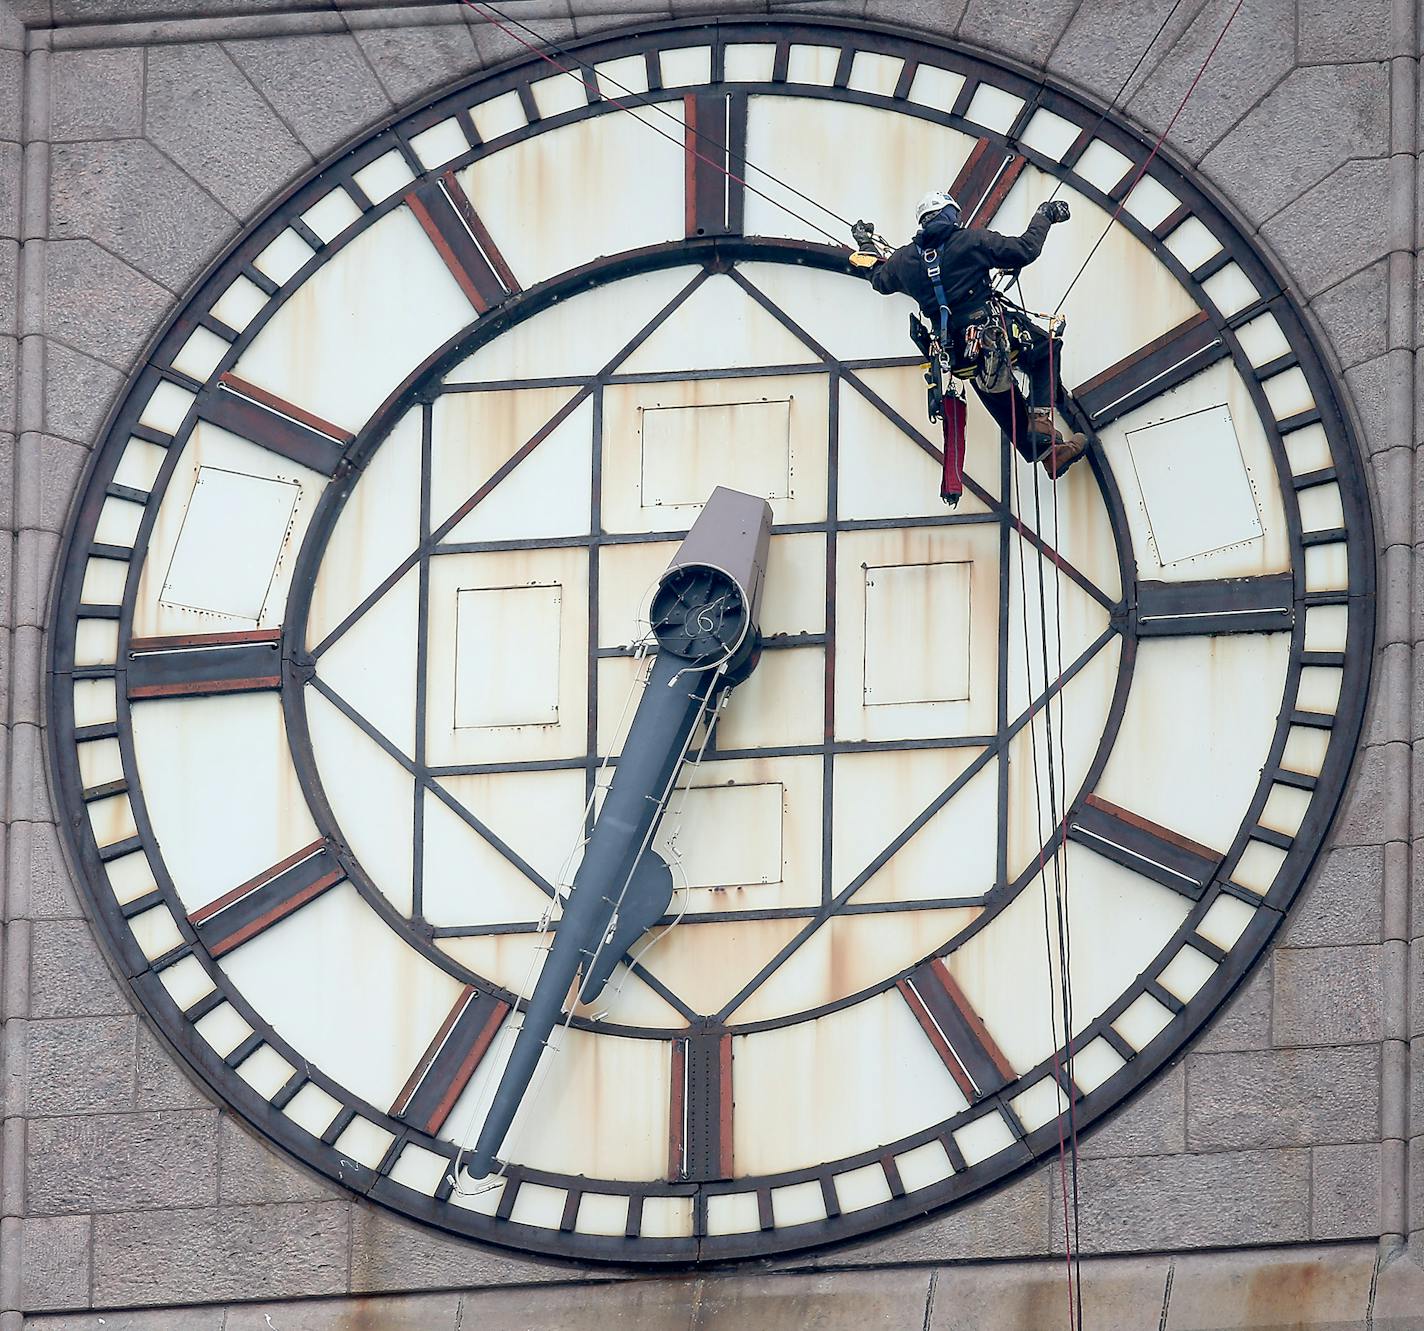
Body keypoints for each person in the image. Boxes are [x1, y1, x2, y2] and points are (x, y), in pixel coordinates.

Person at [851, 189, 1087, 488]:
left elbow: (879, 280)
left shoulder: (904, 261)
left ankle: (1050, 454)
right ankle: (1041, 420)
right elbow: (1026, 249)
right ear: (949, 215)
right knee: (1046, 349)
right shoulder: (971, 241)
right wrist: (1044, 215)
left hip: (958, 355)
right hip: (991, 335)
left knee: (999, 397)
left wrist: (866, 244)